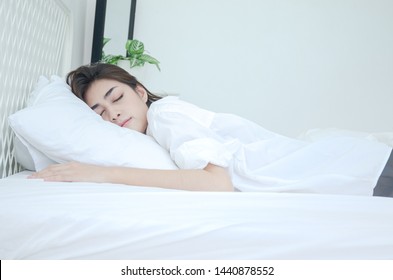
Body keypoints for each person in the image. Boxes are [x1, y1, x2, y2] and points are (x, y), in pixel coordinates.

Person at [30, 63, 393, 196]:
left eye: (116, 97)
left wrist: (103, 173)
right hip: (350, 164)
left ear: (140, 91)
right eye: (100, 112)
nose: (113, 114)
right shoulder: (158, 128)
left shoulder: (165, 115)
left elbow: (215, 182)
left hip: (359, 170)